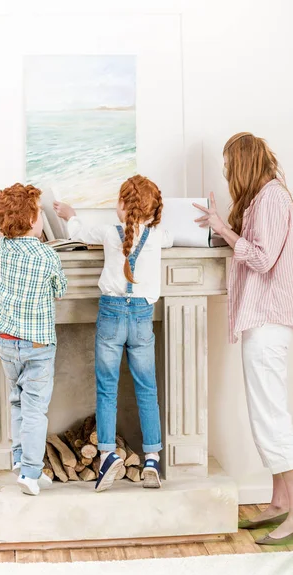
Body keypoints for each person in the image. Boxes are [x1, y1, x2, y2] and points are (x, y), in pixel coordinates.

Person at [195, 133, 293, 545]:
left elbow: (262, 259)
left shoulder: (272, 199)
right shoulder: (269, 198)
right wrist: (224, 229)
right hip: (264, 321)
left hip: (267, 321)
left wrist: (225, 231)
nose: (227, 171)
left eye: (229, 164)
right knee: (266, 413)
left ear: (243, 163)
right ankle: (280, 502)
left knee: (271, 416)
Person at [54, 174, 173, 492]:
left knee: (107, 389)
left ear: (122, 205)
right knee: (147, 389)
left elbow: (79, 231)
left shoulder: (109, 233)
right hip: (142, 318)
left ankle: (106, 455)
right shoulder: (158, 235)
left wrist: (70, 215)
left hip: (111, 315)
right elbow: (171, 238)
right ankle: (151, 459)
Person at [0, 183, 67, 496]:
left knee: (17, 400)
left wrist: (5, 230)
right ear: (35, 221)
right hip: (38, 345)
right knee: (36, 409)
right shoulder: (47, 255)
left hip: (7, 343)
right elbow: (60, 289)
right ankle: (29, 472)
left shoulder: (1, 248)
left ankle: (20, 460)